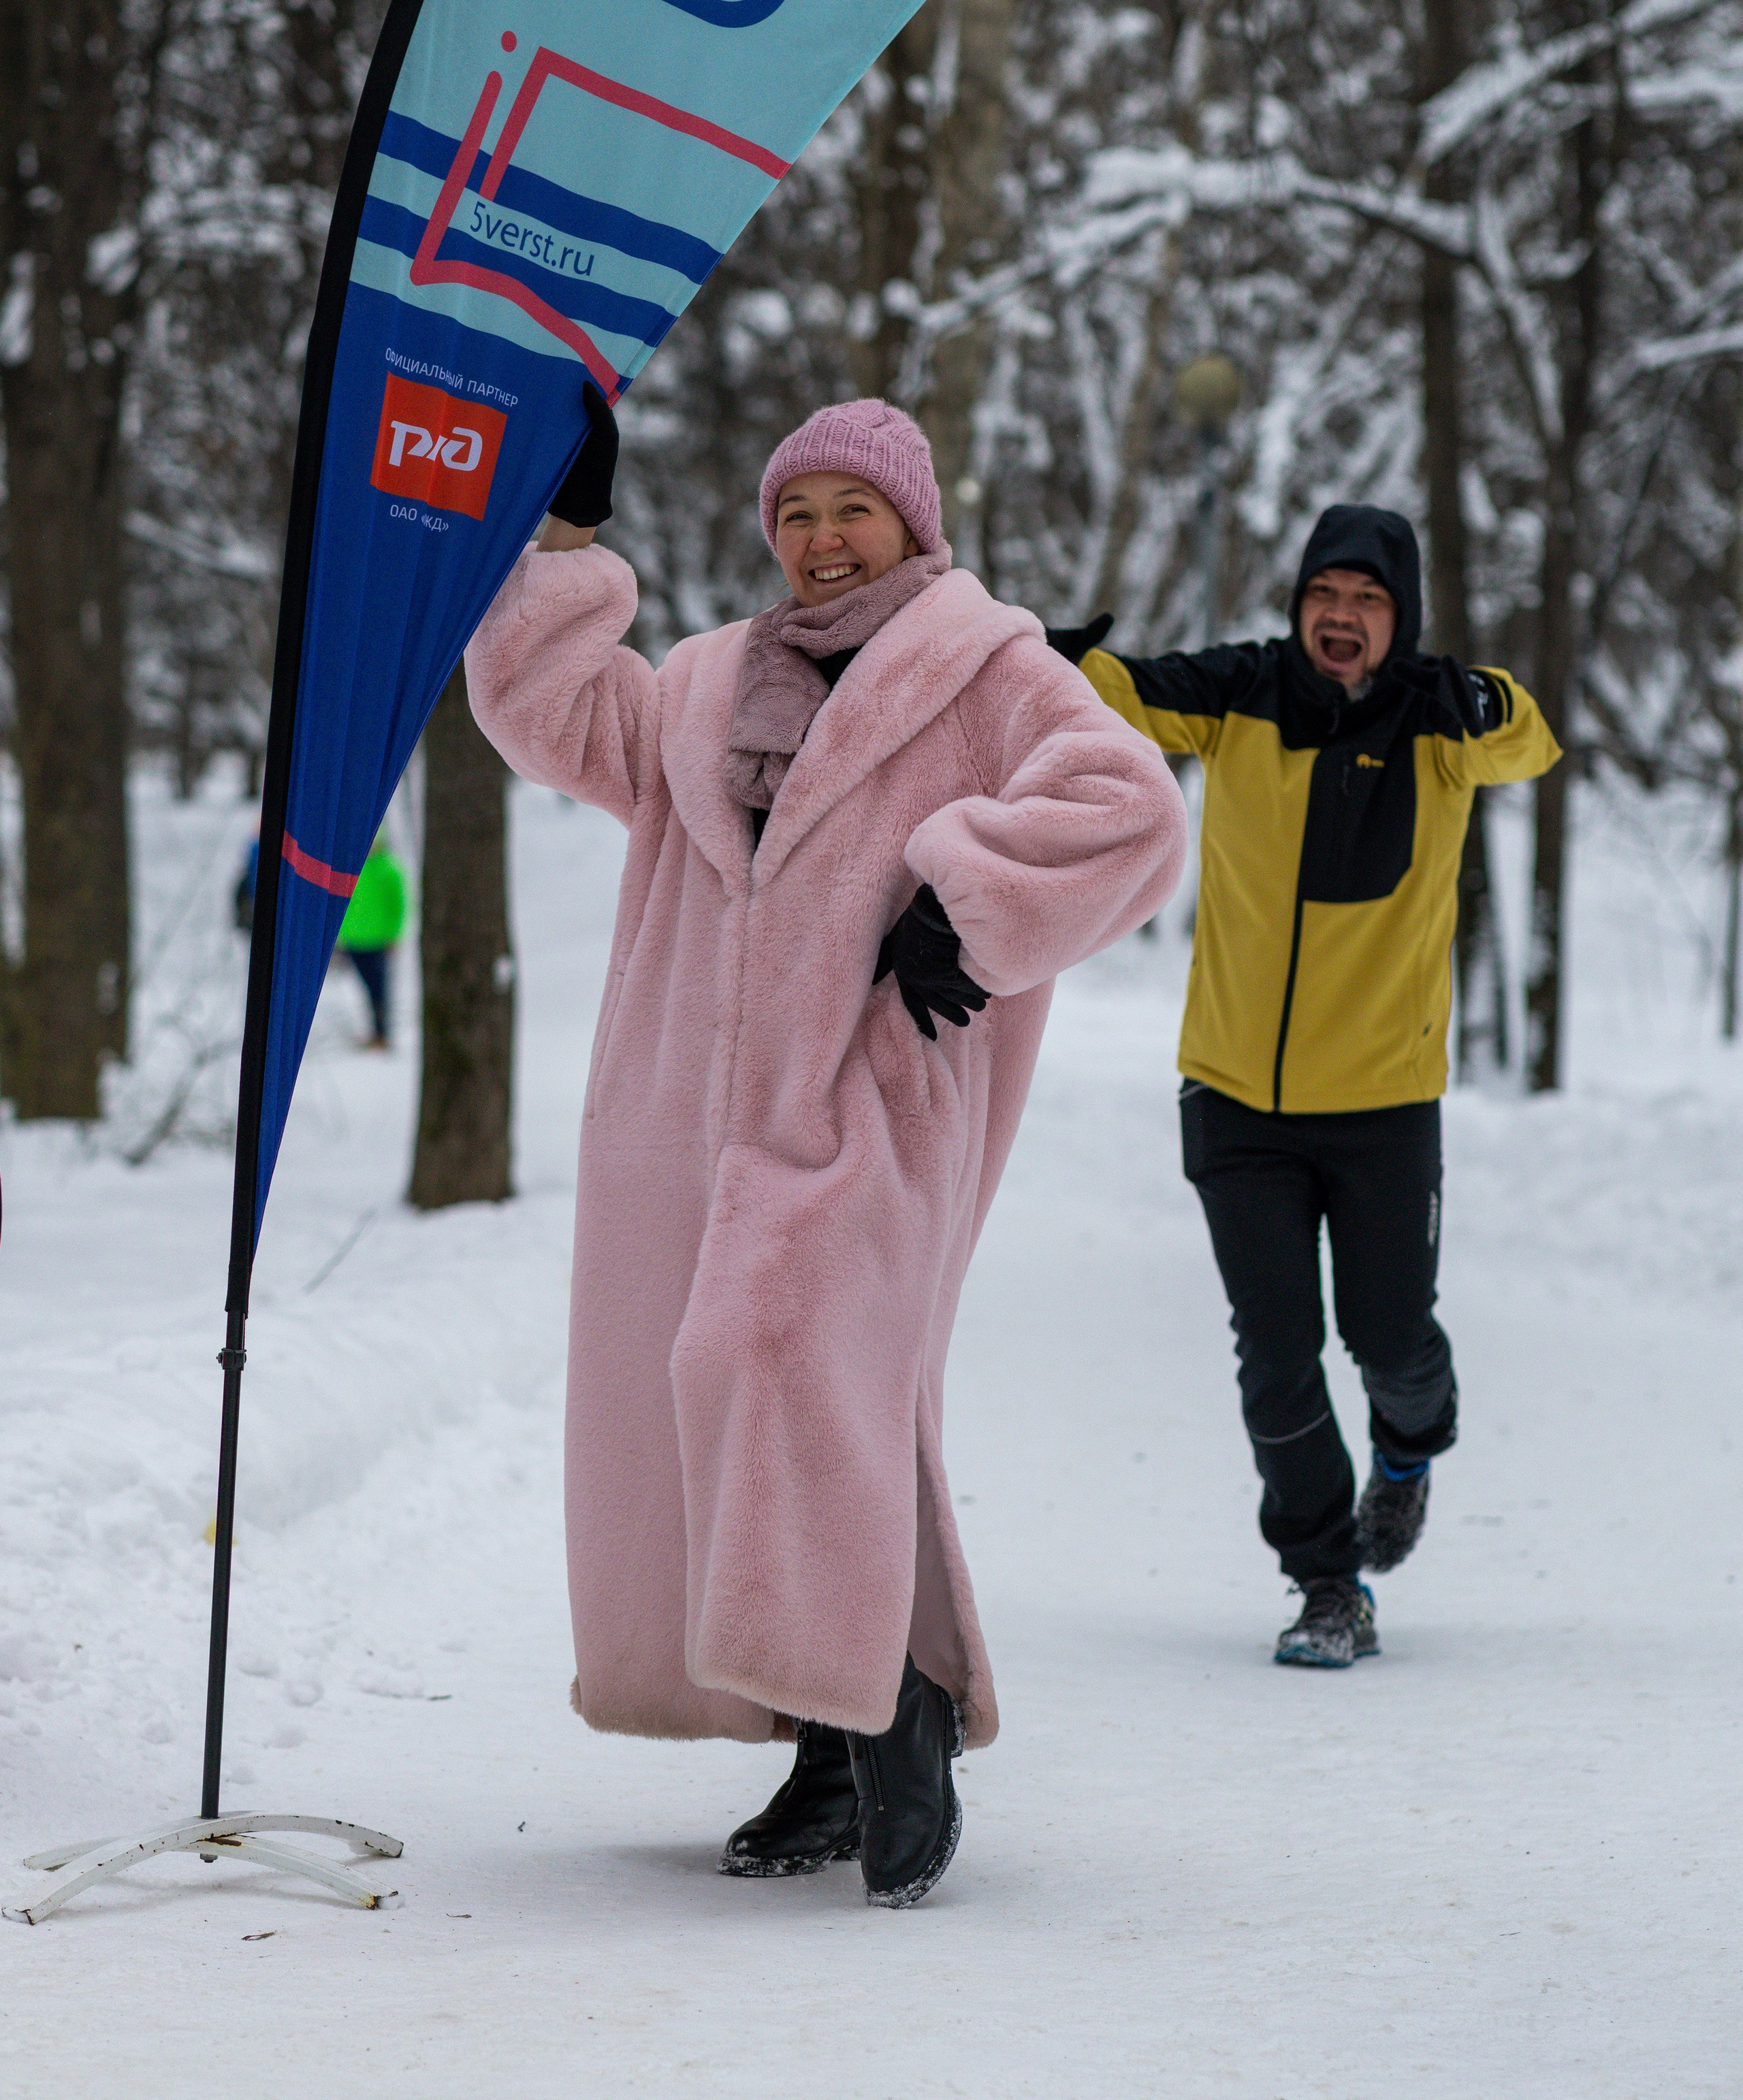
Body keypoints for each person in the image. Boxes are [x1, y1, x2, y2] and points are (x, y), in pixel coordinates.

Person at [466, 389, 1186, 1905]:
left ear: (912, 521)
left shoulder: (987, 666)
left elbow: (1129, 808)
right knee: (766, 1396)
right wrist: (564, 538)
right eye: (794, 513)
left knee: (774, 1351)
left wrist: (965, 900)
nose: (821, 538)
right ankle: (818, 1736)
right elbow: (550, 711)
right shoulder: (707, 682)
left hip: (869, 1098)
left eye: (851, 508)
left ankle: (897, 1707)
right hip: (688, 1115)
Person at [1051, 505, 1560, 1668]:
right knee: (1277, 1352)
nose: (1342, 616)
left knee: (1390, 1337)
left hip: (1383, 1101)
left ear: (1401, 616)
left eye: (1369, 599)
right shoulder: (1243, 693)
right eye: (1325, 592)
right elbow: (1117, 696)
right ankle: (1328, 1579)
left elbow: (1528, 739)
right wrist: (1041, 652)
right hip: (1235, 1095)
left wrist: (1488, 696)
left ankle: (1410, 1445)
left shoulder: (1439, 718)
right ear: (1298, 604)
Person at [334, 833, 407, 1049]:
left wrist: (394, 935)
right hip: (353, 940)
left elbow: (399, 906)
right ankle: (375, 1032)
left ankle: (382, 1034)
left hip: (378, 941)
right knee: (365, 988)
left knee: (378, 990)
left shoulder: (389, 869)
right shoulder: (351, 868)